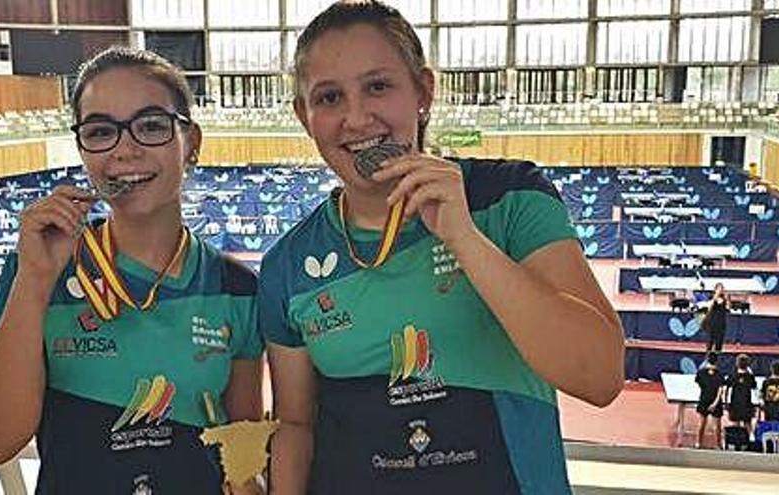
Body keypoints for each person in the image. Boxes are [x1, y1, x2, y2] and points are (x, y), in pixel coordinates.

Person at [258, 2, 625, 493]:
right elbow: (297, 425)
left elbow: (599, 376)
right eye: (329, 97)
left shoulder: (509, 199)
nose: (356, 117)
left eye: (378, 86)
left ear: (423, 92)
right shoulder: (288, 264)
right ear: (305, 116)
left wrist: (464, 238)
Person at [0, 47, 264, 494]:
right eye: (101, 131)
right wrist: (34, 281)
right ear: (83, 148)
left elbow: (241, 448)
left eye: (152, 126)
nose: (125, 149)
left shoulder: (236, 288)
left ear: (192, 142)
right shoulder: (37, 269)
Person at [694, 351, 724, 448]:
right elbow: (720, 390)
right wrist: (715, 403)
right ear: (717, 361)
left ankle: (698, 443)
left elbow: (699, 383)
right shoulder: (720, 374)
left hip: (704, 398)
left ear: (707, 360)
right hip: (716, 400)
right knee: (717, 425)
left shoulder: (701, 373)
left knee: (702, 422)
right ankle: (718, 445)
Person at [724, 353, 757, 437]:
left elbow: (727, 389)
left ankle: (736, 441)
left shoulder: (733, 375)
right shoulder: (750, 376)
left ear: (737, 363)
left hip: (735, 403)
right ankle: (750, 440)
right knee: (747, 423)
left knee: (736, 424)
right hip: (746, 403)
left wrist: (726, 402)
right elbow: (754, 389)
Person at [702, 283, 729, 352]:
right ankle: (708, 356)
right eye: (719, 288)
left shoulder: (724, 298)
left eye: (722, 288)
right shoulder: (711, 297)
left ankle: (717, 357)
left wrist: (727, 298)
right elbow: (712, 304)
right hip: (713, 321)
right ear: (715, 289)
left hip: (721, 321)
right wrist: (716, 294)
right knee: (711, 341)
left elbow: (727, 307)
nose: (721, 290)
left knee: (719, 342)